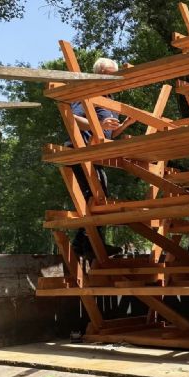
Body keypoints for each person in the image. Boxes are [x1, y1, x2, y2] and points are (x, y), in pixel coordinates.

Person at [68, 57, 121, 258]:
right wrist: (98, 125)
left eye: (114, 74)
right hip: (81, 150)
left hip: (97, 153)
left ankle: (87, 245)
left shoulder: (111, 101)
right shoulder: (88, 93)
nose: (112, 77)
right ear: (98, 73)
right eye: (108, 73)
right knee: (94, 197)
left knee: (99, 197)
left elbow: (110, 133)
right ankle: (86, 246)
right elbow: (72, 118)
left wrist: (124, 125)